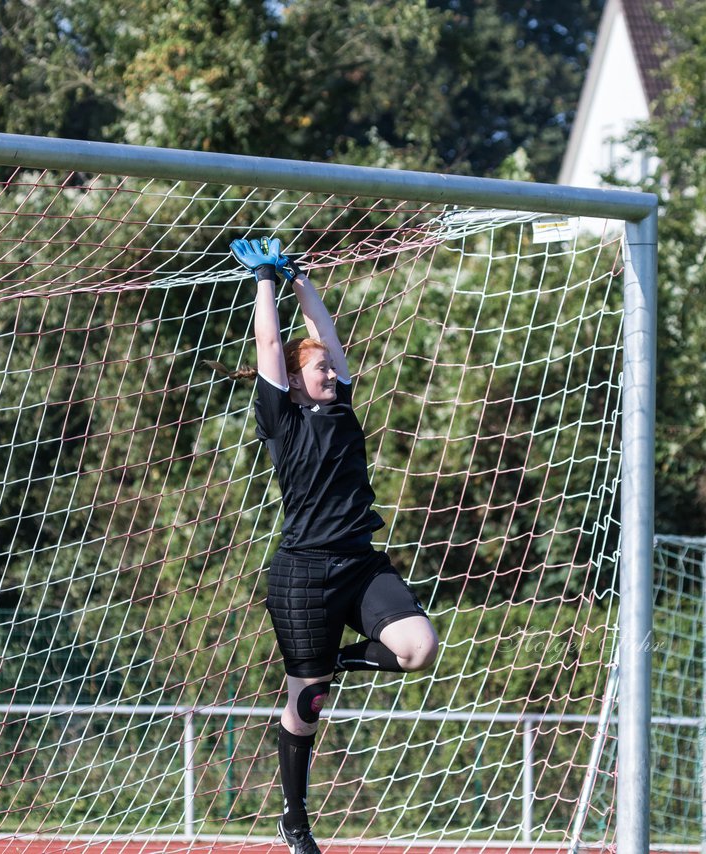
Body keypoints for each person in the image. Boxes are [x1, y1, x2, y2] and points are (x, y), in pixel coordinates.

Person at [212, 236, 440, 854]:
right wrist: (263, 280)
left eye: (332, 368)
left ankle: (331, 660)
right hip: (303, 573)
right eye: (318, 369)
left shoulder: (342, 409)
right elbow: (268, 346)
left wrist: (299, 279)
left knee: (417, 648)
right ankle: (295, 821)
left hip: (361, 564)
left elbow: (326, 335)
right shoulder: (283, 418)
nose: (332, 372)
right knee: (307, 702)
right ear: (292, 381)